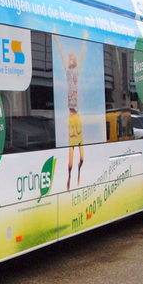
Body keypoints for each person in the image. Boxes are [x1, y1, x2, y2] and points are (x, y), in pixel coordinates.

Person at [54, 32, 87, 190]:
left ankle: (79, 175)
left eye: (71, 56)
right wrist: (55, 37)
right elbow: (60, 54)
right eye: (69, 56)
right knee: (70, 161)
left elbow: (81, 56)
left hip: (78, 117)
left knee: (82, 158)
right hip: (71, 118)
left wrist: (85, 39)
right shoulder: (68, 73)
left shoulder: (76, 72)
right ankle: (69, 179)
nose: (70, 57)